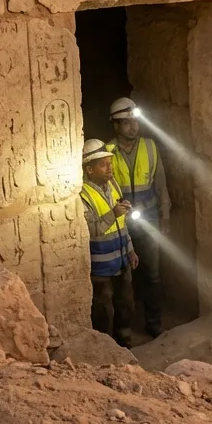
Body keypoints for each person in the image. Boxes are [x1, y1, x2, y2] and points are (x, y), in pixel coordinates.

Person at [106, 97, 170, 338]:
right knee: (125, 279)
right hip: (121, 224)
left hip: (150, 220)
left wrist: (165, 217)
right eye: (126, 123)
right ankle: (123, 332)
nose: (133, 127)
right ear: (115, 126)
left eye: (135, 122)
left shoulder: (150, 147)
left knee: (152, 273)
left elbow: (162, 185)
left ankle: (154, 323)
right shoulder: (108, 152)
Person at [80, 138, 138, 348]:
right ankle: (106, 351)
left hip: (121, 260)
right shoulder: (82, 195)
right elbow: (92, 231)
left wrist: (130, 250)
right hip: (101, 268)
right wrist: (113, 213)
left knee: (125, 305)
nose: (109, 169)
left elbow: (121, 224)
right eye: (103, 165)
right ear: (89, 169)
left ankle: (125, 345)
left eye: (110, 163)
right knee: (104, 311)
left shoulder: (112, 185)